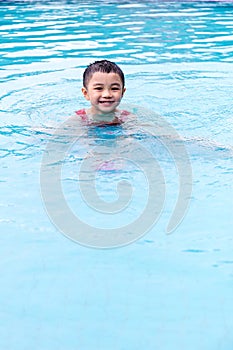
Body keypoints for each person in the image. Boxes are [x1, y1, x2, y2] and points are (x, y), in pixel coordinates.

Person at [76, 60, 134, 125]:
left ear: (122, 93)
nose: (107, 95)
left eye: (114, 88)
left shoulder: (127, 118)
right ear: (86, 93)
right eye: (99, 88)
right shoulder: (79, 119)